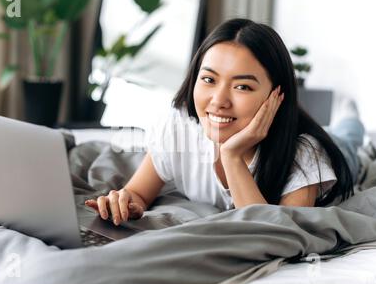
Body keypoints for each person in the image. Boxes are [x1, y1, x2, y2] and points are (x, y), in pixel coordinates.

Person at [85, 18, 359, 226]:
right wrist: (124, 202)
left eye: (242, 87)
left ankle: (350, 119)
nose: (218, 100)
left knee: (349, 139)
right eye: (208, 80)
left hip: (336, 152)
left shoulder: (304, 154)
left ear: (276, 96)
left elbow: (277, 237)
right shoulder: (179, 126)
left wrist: (232, 156)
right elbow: (138, 192)